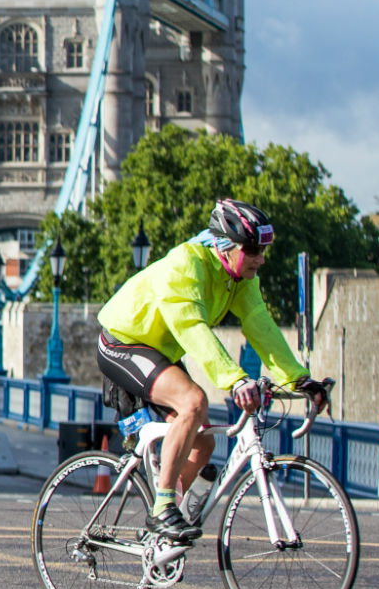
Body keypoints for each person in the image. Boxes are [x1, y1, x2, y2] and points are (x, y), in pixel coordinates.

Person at [96, 199, 329, 544]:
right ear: (224, 245)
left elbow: (260, 325)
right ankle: (162, 507)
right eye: (252, 249)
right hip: (123, 343)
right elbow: (192, 329)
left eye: (263, 249)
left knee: (203, 441)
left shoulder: (239, 278)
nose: (261, 258)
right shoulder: (185, 265)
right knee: (194, 401)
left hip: (159, 351)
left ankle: (170, 517)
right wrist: (235, 379)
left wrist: (298, 379)